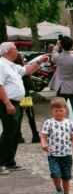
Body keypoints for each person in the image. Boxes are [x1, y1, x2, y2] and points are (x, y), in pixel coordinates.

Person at [0, 42, 49, 175]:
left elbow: (26, 70)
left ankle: (10, 160)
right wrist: (7, 103)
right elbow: (0, 86)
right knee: (9, 131)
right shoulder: (1, 65)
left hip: (16, 102)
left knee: (15, 132)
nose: (17, 51)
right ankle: (1, 162)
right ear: (9, 51)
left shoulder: (12, 66)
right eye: (16, 49)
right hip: (8, 102)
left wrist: (39, 61)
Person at [13, 54, 40, 144]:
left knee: (19, 117)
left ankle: (18, 135)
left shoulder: (14, 71)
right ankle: (35, 135)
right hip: (26, 97)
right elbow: (32, 86)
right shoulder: (24, 72)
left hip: (17, 97)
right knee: (31, 117)